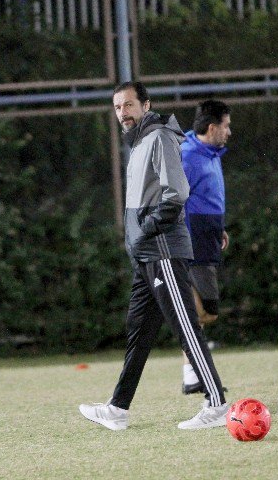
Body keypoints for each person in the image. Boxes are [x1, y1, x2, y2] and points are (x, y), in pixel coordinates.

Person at [79, 81, 228, 430]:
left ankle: (218, 404)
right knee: (139, 333)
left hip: (162, 250)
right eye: (117, 108)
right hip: (145, 254)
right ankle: (118, 409)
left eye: (128, 105)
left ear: (146, 105)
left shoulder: (159, 136)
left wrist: (147, 227)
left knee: (186, 328)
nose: (122, 113)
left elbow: (177, 193)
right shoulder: (139, 142)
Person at [180, 100, 232, 394]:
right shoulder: (187, 156)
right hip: (192, 241)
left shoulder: (212, 153)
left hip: (208, 236)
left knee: (207, 311)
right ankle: (193, 372)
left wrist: (218, 227)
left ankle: (192, 371)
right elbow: (174, 200)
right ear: (212, 128)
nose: (229, 131)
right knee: (201, 311)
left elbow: (207, 196)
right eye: (225, 125)